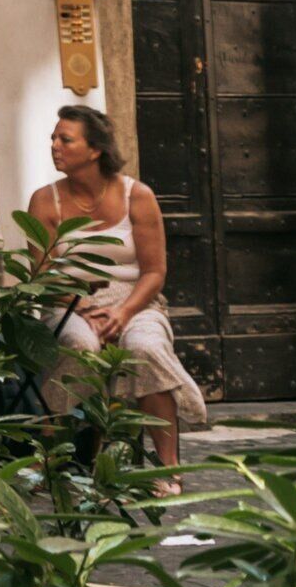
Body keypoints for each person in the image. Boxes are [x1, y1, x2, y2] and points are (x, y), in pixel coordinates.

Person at [25, 104, 210, 467]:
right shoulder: (45, 200)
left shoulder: (137, 196)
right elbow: (42, 275)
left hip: (136, 302)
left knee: (144, 347)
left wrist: (123, 313)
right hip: (69, 301)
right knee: (79, 344)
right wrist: (81, 306)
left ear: (95, 149)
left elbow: (154, 272)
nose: (54, 146)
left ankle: (168, 467)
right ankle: (59, 458)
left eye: (65, 139)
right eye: (53, 138)